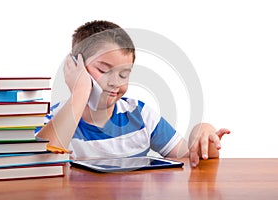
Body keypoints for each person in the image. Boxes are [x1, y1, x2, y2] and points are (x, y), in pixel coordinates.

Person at [36, 20, 230, 168]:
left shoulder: (140, 114)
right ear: (75, 67)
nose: (114, 82)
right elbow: (40, 164)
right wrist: (80, 91)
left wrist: (202, 132)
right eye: (103, 70)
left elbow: (194, 158)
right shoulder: (53, 120)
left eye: (123, 74)